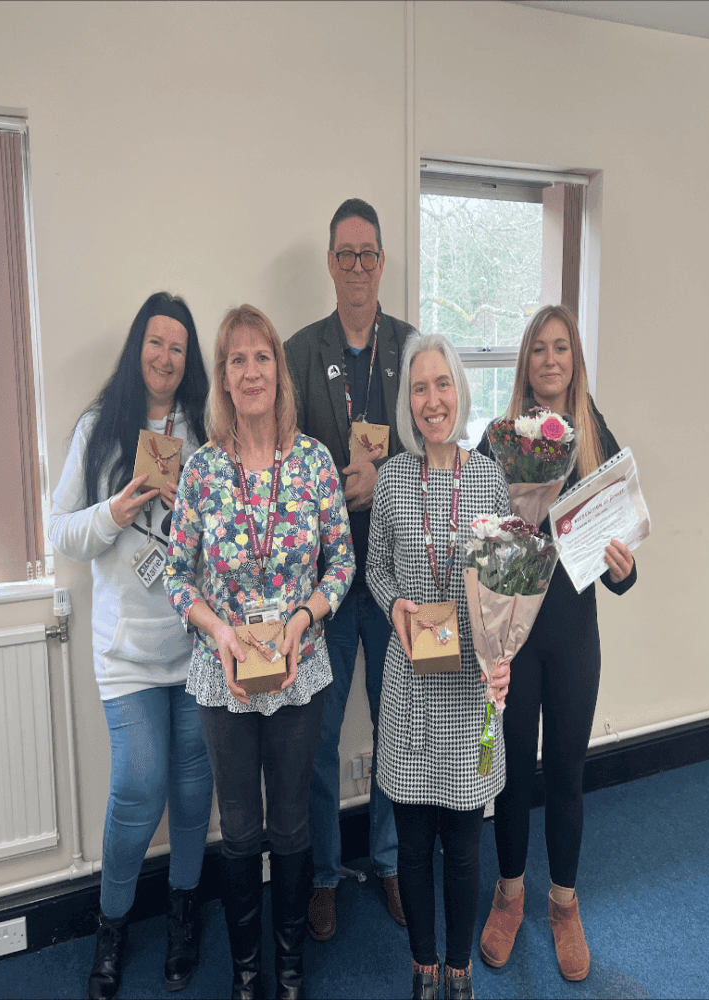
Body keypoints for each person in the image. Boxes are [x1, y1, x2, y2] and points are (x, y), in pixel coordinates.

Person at [165, 304, 355, 1000]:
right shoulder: (202, 471)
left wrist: (307, 615)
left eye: (262, 356)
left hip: (300, 671)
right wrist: (216, 631)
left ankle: (292, 966)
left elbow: (343, 564)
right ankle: (249, 973)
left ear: (280, 370)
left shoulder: (313, 465)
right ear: (224, 377)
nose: (251, 371)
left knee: (293, 823)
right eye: (236, 359)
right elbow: (174, 573)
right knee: (240, 831)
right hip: (225, 679)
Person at [48, 292, 213, 1000]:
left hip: (194, 643)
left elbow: (224, 536)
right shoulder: (100, 429)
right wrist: (117, 512)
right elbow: (61, 533)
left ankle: (183, 912)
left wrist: (194, 515)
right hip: (125, 653)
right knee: (139, 787)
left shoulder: (203, 430)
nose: (165, 358)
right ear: (137, 348)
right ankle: (112, 923)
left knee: (191, 789)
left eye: (177, 347)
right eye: (155, 343)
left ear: (188, 358)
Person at [476, 304, 636, 982]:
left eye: (561, 348)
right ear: (526, 361)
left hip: (574, 637)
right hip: (515, 634)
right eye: (538, 348)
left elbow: (620, 550)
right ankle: (509, 894)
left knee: (567, 770)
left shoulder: (596, 434)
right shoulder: (499, 437)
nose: (549, 359)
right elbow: (480, 539)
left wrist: (627, 568)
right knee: (511, 772)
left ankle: (563, 904)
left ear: (574, 360)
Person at [366, 333, 512, 1000]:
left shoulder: (490, 478)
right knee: (414, 845)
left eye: (443, 385)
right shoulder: (393, 477)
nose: (433, 400)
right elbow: (376, 569)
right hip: (411, 690)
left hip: (471, 689)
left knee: (464, 846)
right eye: (420, 388)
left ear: (460, 391)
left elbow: (509, 587)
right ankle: (423, 967)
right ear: (409, 401)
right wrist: (395, 603)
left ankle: (460, 970)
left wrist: (503, 652)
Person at [284, 198, 415, 940]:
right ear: (330, 264)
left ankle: (392, 862)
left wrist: (386, 472)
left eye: (369, 254)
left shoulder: (411, 348)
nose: (358, 267)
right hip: (328, 584)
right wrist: (339, 486)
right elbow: (291, 471)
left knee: (396, 726)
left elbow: (430, 453)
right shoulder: (301, 352)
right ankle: (327, 875)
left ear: (382, 262)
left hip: (394, 576)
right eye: (346, 255)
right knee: (322, 734)